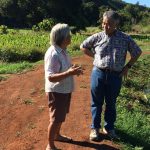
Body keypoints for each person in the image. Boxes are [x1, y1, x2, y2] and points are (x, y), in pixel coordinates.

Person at [80, 10, 142, 141]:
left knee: (111, 103)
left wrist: (127, 67)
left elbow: (137, 52)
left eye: (109, 24)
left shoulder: (125, 38)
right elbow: (83, 46)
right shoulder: (97, 37)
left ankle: (109, 128)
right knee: (96, 103)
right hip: (98, 73)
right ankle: (95, 128)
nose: (105, 26)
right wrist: (95, 57)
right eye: (103, 23)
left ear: (116, 24)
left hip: (115, 76)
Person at [44, 23, 83, 150]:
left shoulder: (63, 51)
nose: (71, 37)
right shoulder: (53, 54)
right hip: (57, 91)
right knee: (55, 119)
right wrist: (69, 72)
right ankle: (50, 145)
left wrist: (72, 69)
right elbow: (50, 77)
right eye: (68, 35)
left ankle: (57, 135)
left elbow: (64, 69)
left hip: (64, 89)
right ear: (61, 37)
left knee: (60, 116)